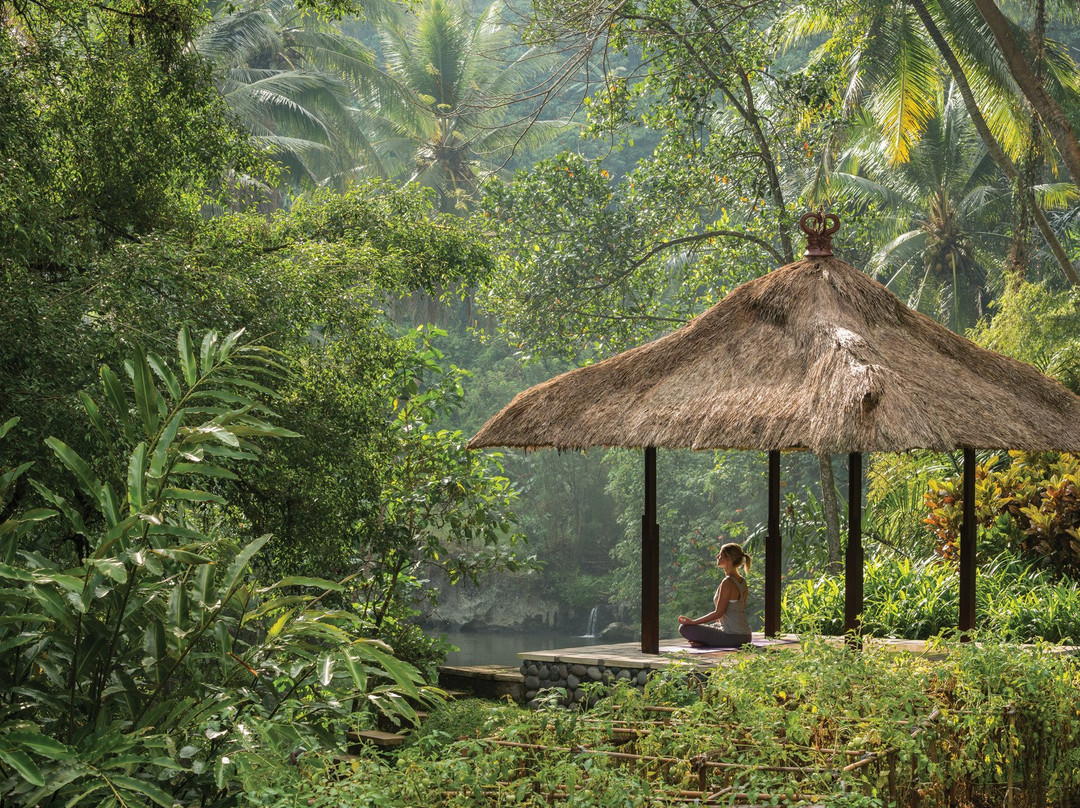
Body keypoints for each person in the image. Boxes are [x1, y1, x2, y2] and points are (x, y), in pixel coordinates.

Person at [677, 542, 752, 648]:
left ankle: (705, 642)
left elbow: (718, 614)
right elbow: (740, 609)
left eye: (720, 554)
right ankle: (706, 642)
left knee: (685, 628)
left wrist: (693, 622)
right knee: (711, 626)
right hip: (746, 636)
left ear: (728, 559)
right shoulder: (742, 581)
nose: (717, 556)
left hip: (733, 637)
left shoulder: (728, 582)